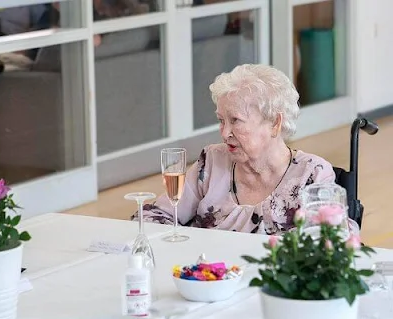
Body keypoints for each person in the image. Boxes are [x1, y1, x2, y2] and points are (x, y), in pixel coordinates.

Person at [137, 63, 347, 235]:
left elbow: (334, 242)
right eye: (221, 120)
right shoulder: (211, 161)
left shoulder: (312, 175)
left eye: (235, 120)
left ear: (275, 123)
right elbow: (154, 215)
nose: (225, 132)